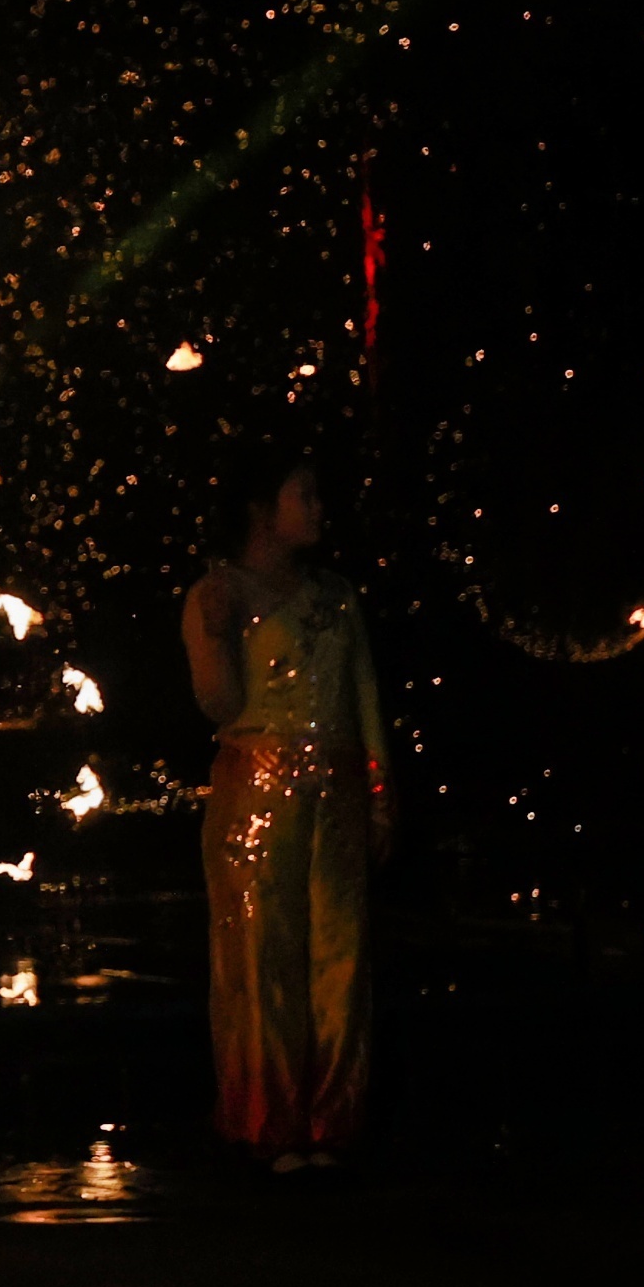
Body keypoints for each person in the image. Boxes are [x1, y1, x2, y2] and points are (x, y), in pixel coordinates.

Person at [182, 451, 394, 1168]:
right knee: (260, 956)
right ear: (260, 508)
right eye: (303, 493)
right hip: (256, 793)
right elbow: (222, 706)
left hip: (334, 795)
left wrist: (379, 798)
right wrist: (215, 634)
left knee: (340, 956)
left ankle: (331, 1121)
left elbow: (365, 700)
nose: (318, 506)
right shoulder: (220, 591)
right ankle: (267, 1122)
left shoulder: (336, 595)